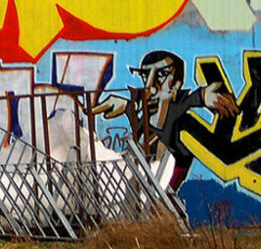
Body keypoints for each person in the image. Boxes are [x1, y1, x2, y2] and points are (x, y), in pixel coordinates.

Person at [95, 50, 239, 190]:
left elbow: (226, 156)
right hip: (142, 199)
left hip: (164, 200)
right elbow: (147, 131)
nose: (150, 86)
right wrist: (128, 107)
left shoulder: (183, 126)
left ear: (177, 84)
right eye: (145, 75)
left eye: (162, 75)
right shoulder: (146, 119)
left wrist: (198, 97)